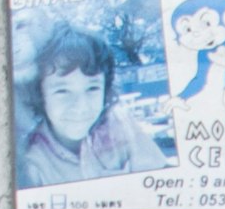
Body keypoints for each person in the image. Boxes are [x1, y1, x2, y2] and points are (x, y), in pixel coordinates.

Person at [19, 27, 163, 188]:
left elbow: (159, 182)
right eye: (62, 91)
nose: (81, 106)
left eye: (92, 88)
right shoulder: (31, 163)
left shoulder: (120, 124)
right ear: (40, 94)